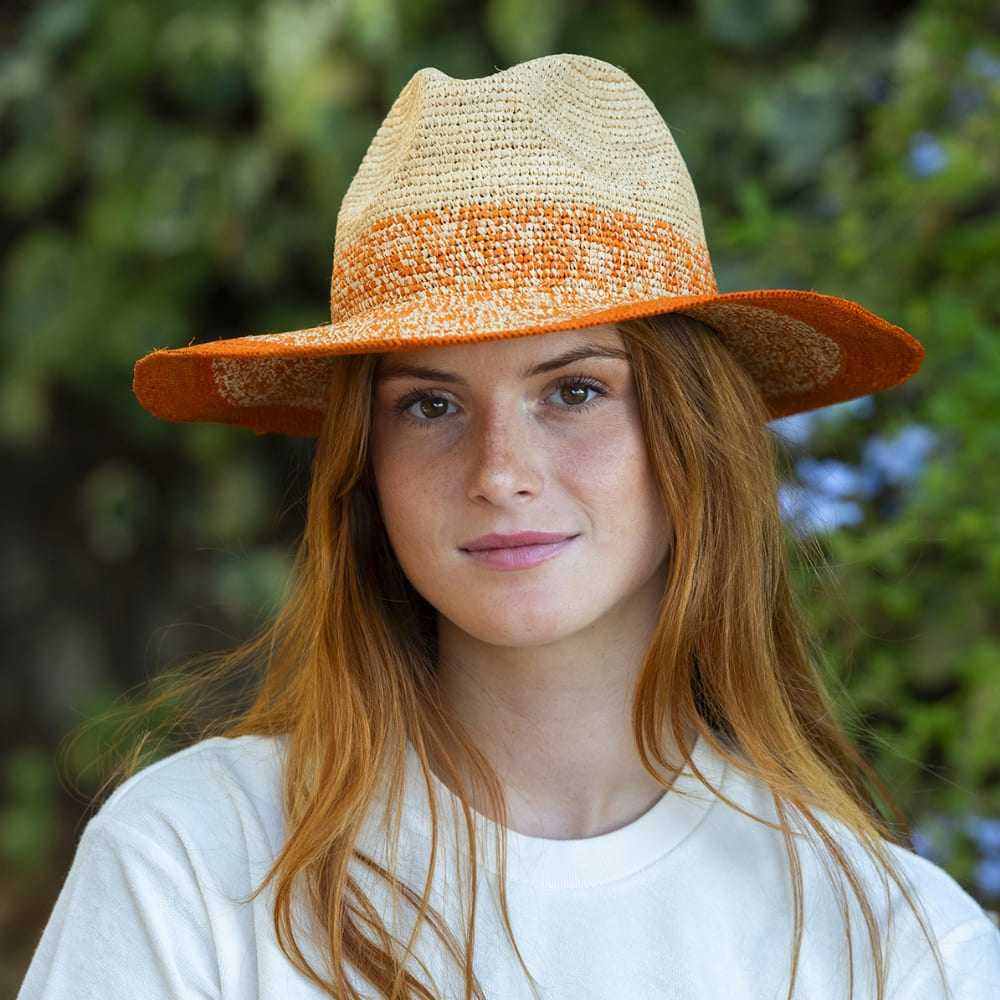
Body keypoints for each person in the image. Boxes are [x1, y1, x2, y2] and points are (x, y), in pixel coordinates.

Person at [18, 53, 1000, 1000]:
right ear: (364, 465)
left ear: (694, 434)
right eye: (429, 406)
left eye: (574, 390)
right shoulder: (192, 860)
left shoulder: (890, 946)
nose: (499, 474)